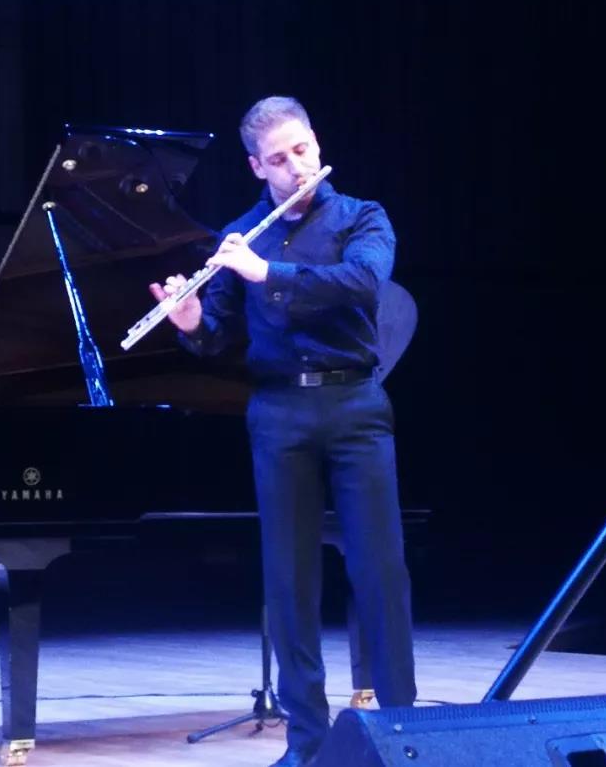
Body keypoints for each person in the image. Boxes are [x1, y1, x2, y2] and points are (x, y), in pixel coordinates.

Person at [149, 96, 417, 766]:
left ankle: (405, 736)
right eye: (278, 159)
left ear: (315, 143)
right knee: (289, 584)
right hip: (278, 412)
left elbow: (362, 283)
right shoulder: (241, 236)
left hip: (354, 405)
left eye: (302, 150)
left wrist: (267, 273)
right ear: (256, 167)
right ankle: (306, 745)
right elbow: (217, 334)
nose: (296, 167)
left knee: (379, 571)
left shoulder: (363, 217)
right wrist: (189, 322)